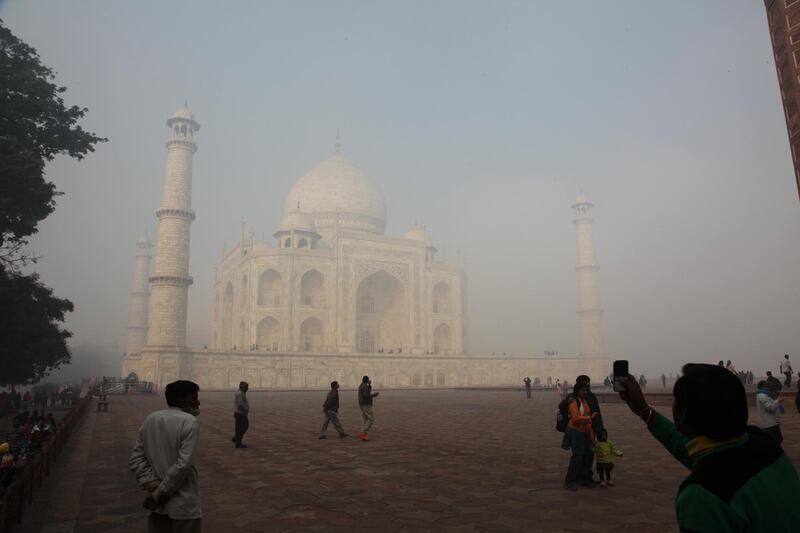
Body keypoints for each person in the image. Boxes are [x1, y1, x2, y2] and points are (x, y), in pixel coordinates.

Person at [617, 364, 800, 532]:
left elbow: (711, 466)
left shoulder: (701, 497)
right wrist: (643, 410)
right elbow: (705, 456)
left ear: (682, 414)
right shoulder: (762, 443)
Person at [129, 380, 202, 533]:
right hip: (183, 505)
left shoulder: (151, 418)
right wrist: (159, 494)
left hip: (157, 506)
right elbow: (183, 466)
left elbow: (136, 458)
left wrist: (152, 486)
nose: (197, 402)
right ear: (181, 399)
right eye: (194, 398)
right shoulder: (189, 422)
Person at [562, 382, 598, 490]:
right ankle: (570, 481)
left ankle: (584, 479)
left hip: (585, 431)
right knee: (577, 457)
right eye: (583, 390)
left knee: (588, 455)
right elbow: (575, 418)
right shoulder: (574, 402)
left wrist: (591, 434)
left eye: (586, 390)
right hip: (575, 432)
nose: (585, 392)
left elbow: (586, 418)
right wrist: (590, 417)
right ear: (577, 391)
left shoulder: (584, 401)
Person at [358, 376, 379, 441]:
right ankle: (363, 432)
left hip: (362, 404)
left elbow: (367, 391)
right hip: (366, 405)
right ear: (366, 380)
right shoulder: (364, 386)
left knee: (365, 419)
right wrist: (374, 395)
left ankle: (363, 435)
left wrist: (369, 385)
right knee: (371, 419)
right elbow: (365, 395)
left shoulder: (362, 385)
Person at [232, 381, 249, 449]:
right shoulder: (240, 394)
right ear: (243, 387)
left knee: (242, 427)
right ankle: (237, 442)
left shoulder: (241, 393)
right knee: (242, 427)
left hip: (240, 413)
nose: (247, 388)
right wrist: (245, 410)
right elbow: (240, 404)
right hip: (240, 414)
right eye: (246, 387)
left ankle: (237, 439)